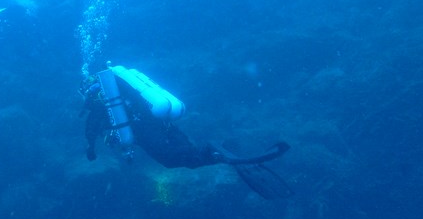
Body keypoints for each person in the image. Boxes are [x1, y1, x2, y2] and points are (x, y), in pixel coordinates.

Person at [79, 65, 293, 199]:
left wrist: (91, 148)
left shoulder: (98, 101)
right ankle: (218, 150)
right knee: (187, 152)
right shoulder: (120, 87)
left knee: (172, 160)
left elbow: (92, 126)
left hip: (145, 129)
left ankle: (216, 152)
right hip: (159, 120)